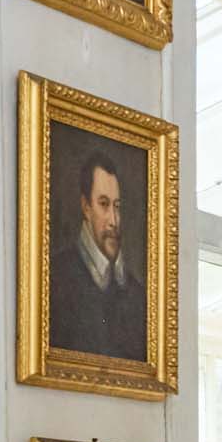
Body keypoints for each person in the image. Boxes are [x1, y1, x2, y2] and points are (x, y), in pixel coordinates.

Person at [48, 151, 147, 364]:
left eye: (117, 206)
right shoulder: (54, 278)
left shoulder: (139, 295)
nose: (113, 220)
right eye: (103, 204)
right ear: (86, 207)